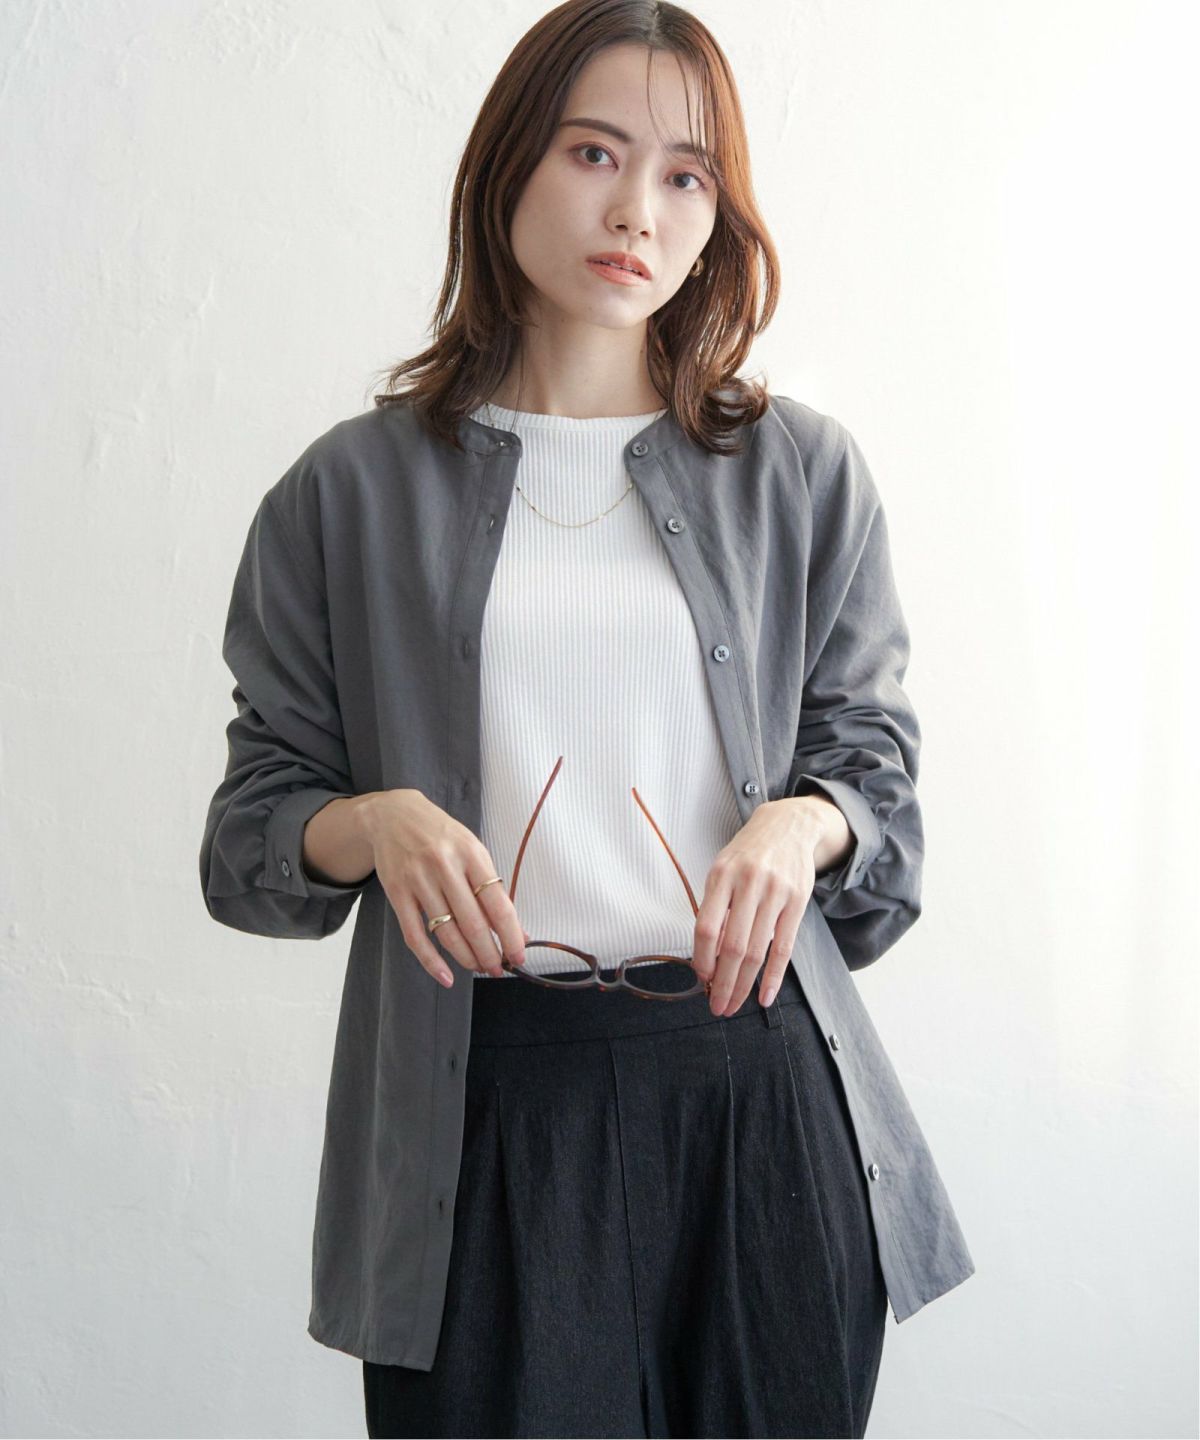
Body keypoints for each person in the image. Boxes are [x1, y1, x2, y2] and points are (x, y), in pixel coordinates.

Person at [199, 2, 975, 1435]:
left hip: (759, 1094)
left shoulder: (801, 473)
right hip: (484, 1106)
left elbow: (879, 795)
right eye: (594, 152)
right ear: (508, 166)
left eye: (686, 175)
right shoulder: (346, 493)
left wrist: (802, 826)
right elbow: (250, 842)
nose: (638, 212)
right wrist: (372, 823)